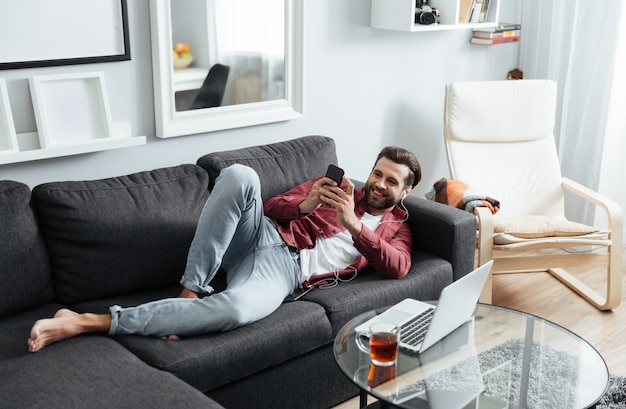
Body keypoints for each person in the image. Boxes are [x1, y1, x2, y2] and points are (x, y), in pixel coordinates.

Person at [27, 146, 421, 352]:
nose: (379, 184)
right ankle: (192, 288)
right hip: (260, 235)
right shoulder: (337, 189)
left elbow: (398, 267)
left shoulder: (397, 228)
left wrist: (355, 229)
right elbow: (270, 208)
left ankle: (85, 321)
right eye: (377, 173)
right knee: (239, 175)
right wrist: (306, 204)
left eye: (391, 181)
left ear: (405, 192)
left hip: (283, 274)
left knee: (236, 309)